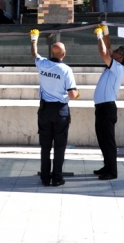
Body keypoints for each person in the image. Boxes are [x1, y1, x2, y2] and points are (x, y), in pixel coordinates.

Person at [30, 29, 79, 187]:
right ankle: (57, 178)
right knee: (59, 146)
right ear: (63, 54)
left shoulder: (42, 64)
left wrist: (34, 39)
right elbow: (72, 95)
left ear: (52, 52)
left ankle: (45, 177)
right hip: (60, 112)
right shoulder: (66, 70)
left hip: (44, 111)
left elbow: (34, 54)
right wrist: (78, 94)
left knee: (45, 147)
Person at [92, 24, 124, 180]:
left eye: (116, 52)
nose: (113, 52)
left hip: (107, 109)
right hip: (101, 108)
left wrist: (99, 36)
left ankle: (112, 172)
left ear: (120, 57)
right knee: (102, 140)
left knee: (108, 141)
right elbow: (108, 49)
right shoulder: (114, 65)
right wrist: (106, 33)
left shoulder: (118, 68)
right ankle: (107, 166)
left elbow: (103, 52)